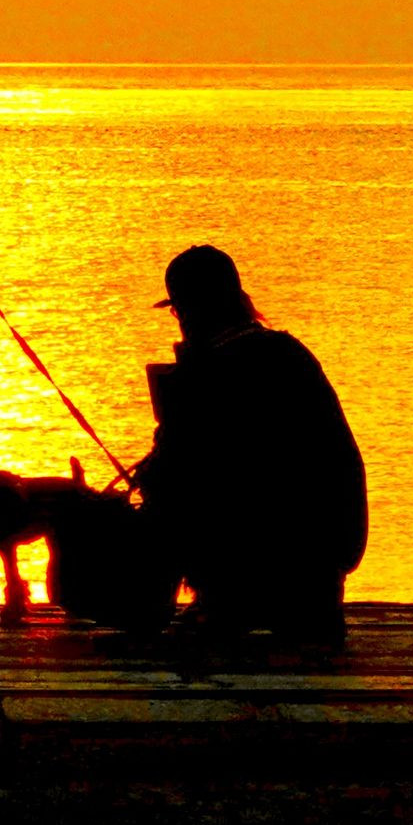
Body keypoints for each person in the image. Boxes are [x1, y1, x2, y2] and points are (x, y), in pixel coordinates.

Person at [133, 244, 366, 641]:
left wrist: (149, 474)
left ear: (190, 310)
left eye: (179, 311)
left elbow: (176, 472)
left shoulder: (211, 371)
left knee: (167, 491)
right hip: (324, 566)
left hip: (266, 565)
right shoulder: (289, 353)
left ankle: (225, 602)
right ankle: (257, 601)